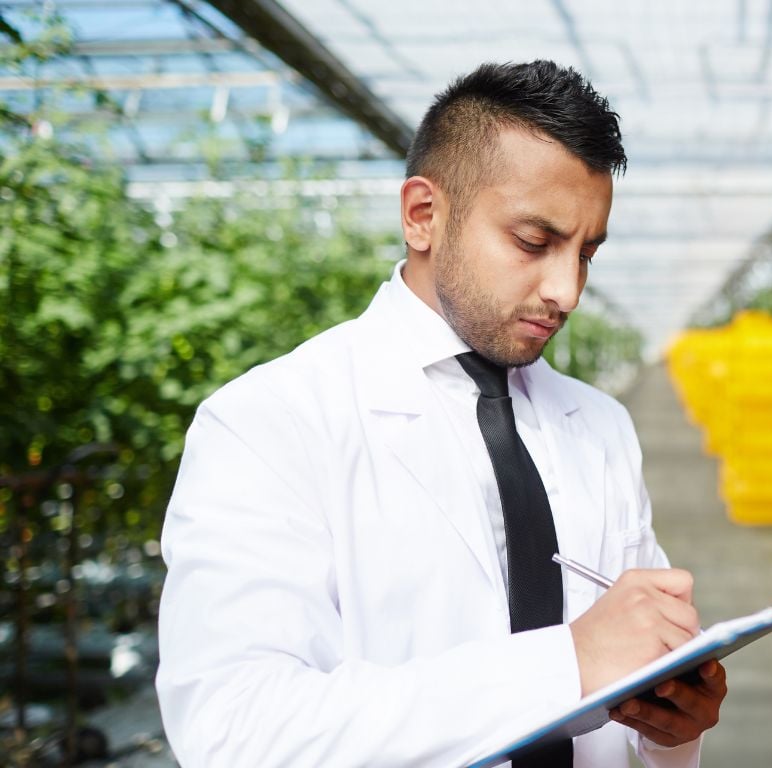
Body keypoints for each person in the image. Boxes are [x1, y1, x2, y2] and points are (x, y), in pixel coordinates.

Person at [155, 60, 726, 767]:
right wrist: (566, 665)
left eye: (587, 253)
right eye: (534, 242)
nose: (567, 290)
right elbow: (236, 730)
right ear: (423, 216)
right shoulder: (269, 423)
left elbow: (634, 671)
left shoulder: (601, 426)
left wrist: (672, 725)